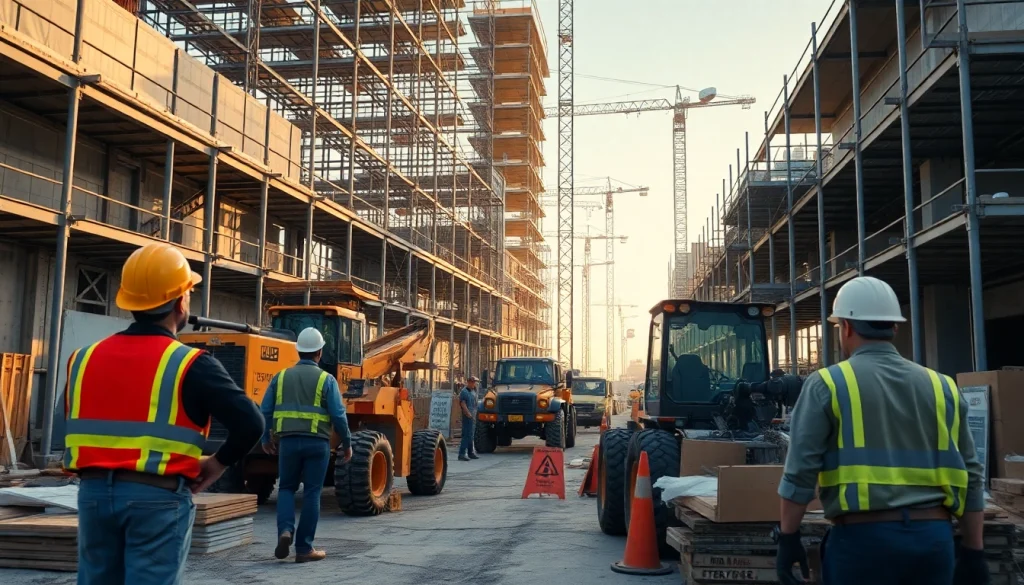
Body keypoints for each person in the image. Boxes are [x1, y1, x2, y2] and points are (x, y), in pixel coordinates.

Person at [64, 242, 265, 585]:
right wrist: (216, 465)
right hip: (156, 497)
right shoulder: (191, 363)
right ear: (180, 301)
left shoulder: (83, 358)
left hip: (93, 495)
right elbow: (251, 423)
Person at [775, 276, 987, 585]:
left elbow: (800, 473)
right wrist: (974, 552)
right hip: (933, 541)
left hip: (862, 543)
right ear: (894, 328)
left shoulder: (828, 384)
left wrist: (788, 538)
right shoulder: (943, 386)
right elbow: (971, 474)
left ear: (846, 327)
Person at [260, 327, 352, 563]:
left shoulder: (280, 377)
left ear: (298, 351)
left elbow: (265, 410)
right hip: (317, 444)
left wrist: (265, 439)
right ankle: (303, 549)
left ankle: (285, 530)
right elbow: (338, 415)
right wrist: (347, 442)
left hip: (288, 442)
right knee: (312, 492)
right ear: (319, 352)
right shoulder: (326, 379)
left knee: (286, 488)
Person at [458, 376, 480, 461]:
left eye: (475, 382)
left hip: (473, 415)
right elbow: (463, 404)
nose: (474, 384)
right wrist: (468, 413)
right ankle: (462, 453)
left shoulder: (474, 391)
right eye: (473, 382)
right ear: (469, 382)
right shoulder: (464, 392)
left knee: (471, 435)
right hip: (468, 416)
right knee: (466, 435)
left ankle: (471, 452)